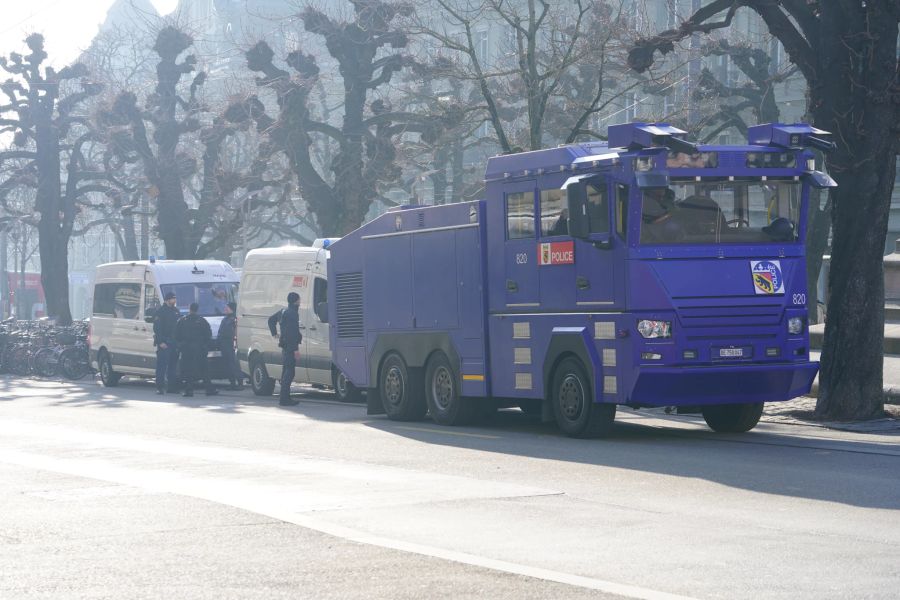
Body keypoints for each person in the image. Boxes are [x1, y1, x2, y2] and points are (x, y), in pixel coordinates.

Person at [175, 302, 217, 397]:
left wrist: (180, 346)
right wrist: (205, 346)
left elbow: (176, 335)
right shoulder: (202, 321)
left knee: (188, 370)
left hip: (187, 349)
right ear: (197, 309)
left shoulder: (182, 320)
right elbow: (208, 335)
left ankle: (189, 390)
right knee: (204, 370)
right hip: (200, 348)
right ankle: (209, 389)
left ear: (189, 308)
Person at [268, 292, 302, 406]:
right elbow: (293, 333)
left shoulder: (283, 311)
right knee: (289, 372)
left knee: (285, 371)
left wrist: (274, 333)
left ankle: (285, 397)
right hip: (290, 346)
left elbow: (270, 320)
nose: (300, 301)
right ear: (296, 301)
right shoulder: (293, 313)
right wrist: (296, 349)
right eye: (299, 299)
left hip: (284, 345)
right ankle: (284, 399)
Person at [153, 291, 180, 394]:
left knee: (172, 366)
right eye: (173, 298)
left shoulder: (176, 311)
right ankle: (159, 387)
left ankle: (171, 387)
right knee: (162, 366)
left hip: (174, 343)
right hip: (164, 343)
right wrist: (160, 342)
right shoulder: (160, 312)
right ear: (167, 300)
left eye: (175, 298)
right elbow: (157, 328)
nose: (175, 300)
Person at [219, 301, 242, 390]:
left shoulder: (235, 319)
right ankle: (232, 383)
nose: (225, 309)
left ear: (232, 309)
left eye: (227, 308)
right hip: (224, 344)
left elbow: (236, 333)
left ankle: (240, 383)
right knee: (228, 364)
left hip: (231, 344)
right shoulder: (225, 319)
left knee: (234, 364)